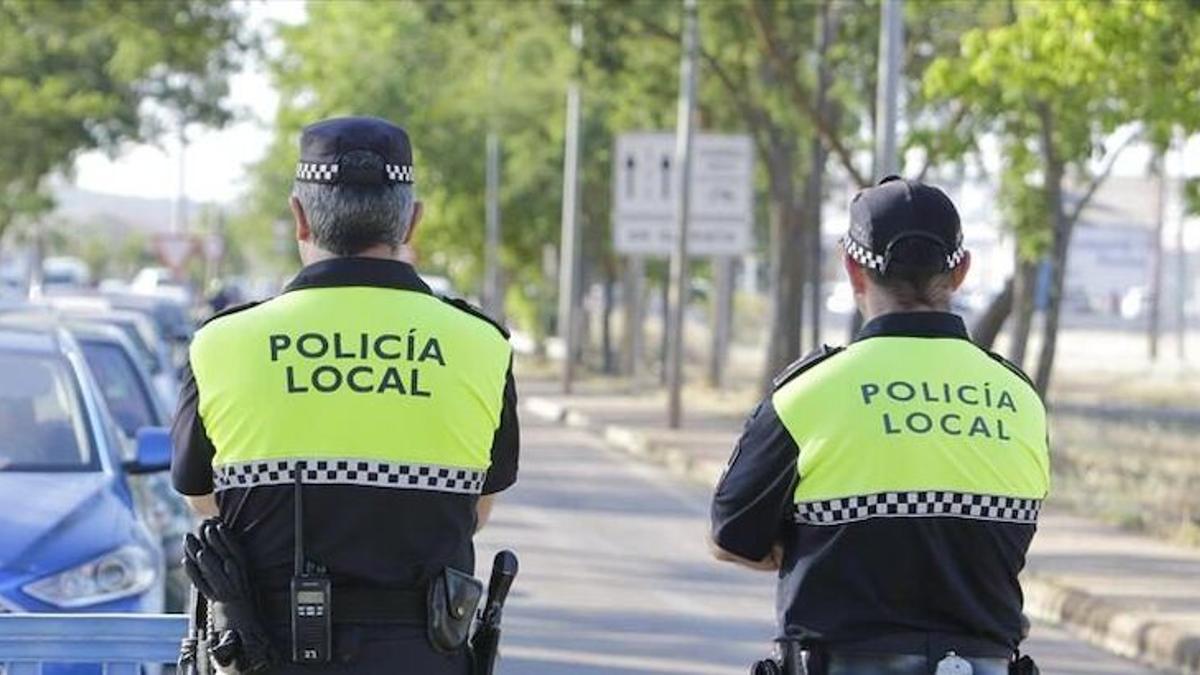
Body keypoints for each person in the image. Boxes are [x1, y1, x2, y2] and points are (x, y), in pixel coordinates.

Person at [171, 116, 519, 674]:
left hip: (265, 652)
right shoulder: (481, 344)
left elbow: (202, 498)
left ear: (299, 216)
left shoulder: (221, 343)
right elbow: (476, 509)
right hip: (423, 657)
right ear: (411, 221)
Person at [710, 176, 1050, 675]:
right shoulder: (1020, 399)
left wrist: (827, 546)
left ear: (852, 269)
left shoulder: (808, 394)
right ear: (960, 273)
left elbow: (731, 536)